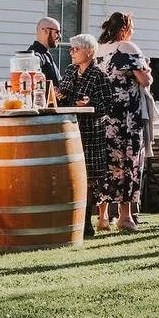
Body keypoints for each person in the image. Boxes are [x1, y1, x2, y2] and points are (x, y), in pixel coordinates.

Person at [95, 11, 153, 233]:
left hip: (104, 117)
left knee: (106, 164)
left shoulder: (99, 50)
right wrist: (146, 69)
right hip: (127, 116)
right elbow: (145, 80)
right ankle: (125, 217)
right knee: (128, 163)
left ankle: (102, 218)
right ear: (124, 29)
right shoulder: (127, 48)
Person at [54, 33, 112, 238]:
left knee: (88, 177)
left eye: (75, 49)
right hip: (70, 128)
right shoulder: (70, 71)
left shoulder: (99, 75)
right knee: (72, 174)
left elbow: (108, 105)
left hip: (91, 130)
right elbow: (62, 94)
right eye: (71, 49)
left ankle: (86, 221)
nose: (71, 52)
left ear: (89, 51)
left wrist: (90, 104)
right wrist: (59, 95)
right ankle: (72, 218)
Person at [25, 17, 64, 86]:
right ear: (45, 31)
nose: (60, 36)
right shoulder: (35, 55)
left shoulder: (45, 53)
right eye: (57, 32)